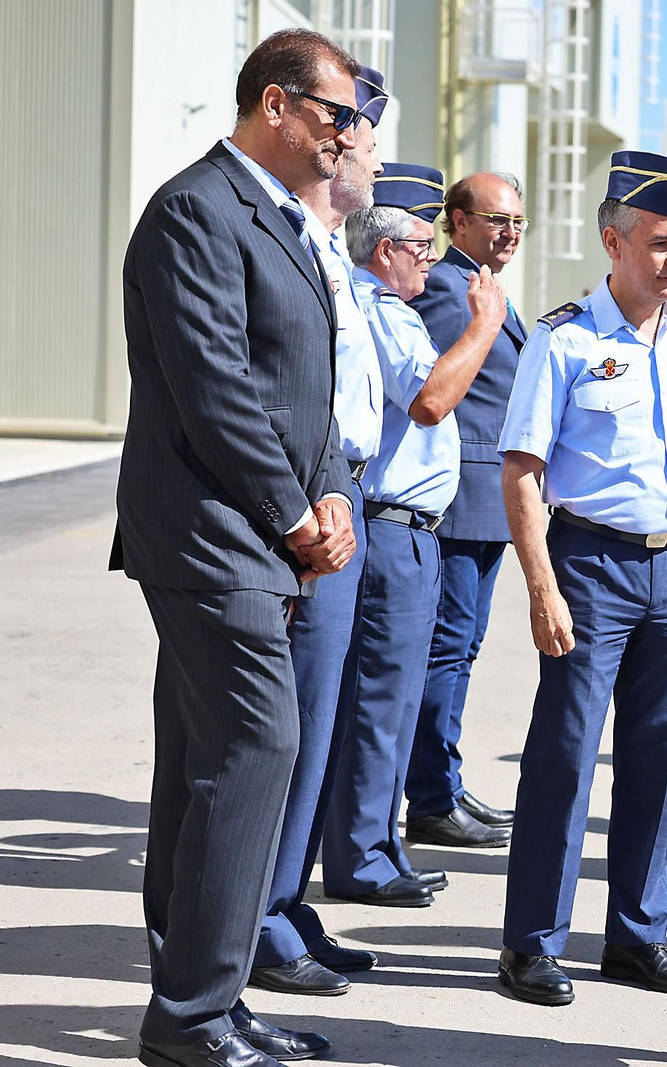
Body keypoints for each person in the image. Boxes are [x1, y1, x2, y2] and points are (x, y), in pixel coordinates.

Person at [112, 27, 359, 1067]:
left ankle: (201, 993)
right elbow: (216, 391)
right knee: (258, 748)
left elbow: (309, 389)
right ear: (276, 105)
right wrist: (298, 518)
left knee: (205, 763)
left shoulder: (284, 221)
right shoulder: (196, 212)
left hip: (254, 532)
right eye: (337, 115)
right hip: (214, 534)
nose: (348, 136)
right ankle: (191, 1018)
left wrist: (336, 487)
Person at [497, 151, 667, 1007]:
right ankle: (532, 943)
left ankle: (637, 934)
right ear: (613, 242)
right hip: (589, 564)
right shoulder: (566, 338)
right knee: (563, 754)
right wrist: (542, 586)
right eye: (662, 244)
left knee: (660, 755)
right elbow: (521, 470)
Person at [322, 164, 509, 907]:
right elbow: (431, 400)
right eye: (423, 246)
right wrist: (483, 326)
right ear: (386, 250)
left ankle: (379, 844)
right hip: (392, 526)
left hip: (409, 529)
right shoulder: (386, 308)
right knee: (380, 699)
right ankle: (364, 856)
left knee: (390, 701)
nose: (432, 261)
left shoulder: (381, 300)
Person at [248, 64, 389, 999]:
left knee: (319, 728)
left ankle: (284, 900)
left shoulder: (328, 251)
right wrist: (314, 507)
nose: (367, 152)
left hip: (343, 502)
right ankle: (256, 917)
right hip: (302, 519)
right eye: (361, 136)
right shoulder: (296, 241)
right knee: (282, 734)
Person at [403, 171, 529, 847]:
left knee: (461, 647)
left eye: (517, 222)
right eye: (494, 220)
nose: (509, 233)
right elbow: (437, 392)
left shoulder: (485, 288)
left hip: (488, 504)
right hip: (460, 501)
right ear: (457, 220)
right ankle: (429, 794)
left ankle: (442, 784)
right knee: (446, 649)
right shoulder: (451, 293)